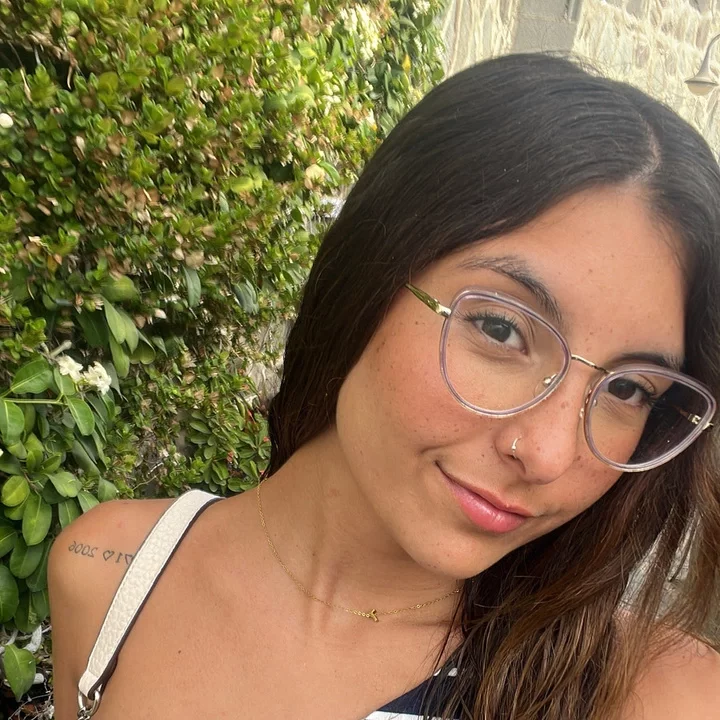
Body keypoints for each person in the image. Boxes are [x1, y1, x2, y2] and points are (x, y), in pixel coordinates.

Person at [49, 53, 720, 720]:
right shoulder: (110, 574)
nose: (547, 454)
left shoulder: (655, 695)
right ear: (368, 277)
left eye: (630, 389)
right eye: (500, 328)